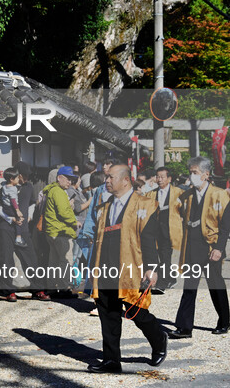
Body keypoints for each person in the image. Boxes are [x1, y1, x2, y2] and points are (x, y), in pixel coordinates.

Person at [87, 164, 167, 373]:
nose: (107, 181)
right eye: (106, 178)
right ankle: (111, 360)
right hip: (105, 268)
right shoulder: (104, 206)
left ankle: (159, 338)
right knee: (108, 314)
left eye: (111, 177)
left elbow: (149, 239)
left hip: (131, 267)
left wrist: (151, 268)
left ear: (125, 180)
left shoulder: (145, 205)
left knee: (137, 312)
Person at [168, 157, 230, 339]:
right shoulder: (187, 195)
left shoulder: (220, 195)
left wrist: (219, 248)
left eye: (195, 173)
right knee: (189, 287)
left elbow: (225, 226)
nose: (191, 176)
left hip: (211, 246)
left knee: (215, 285)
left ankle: (225, 320)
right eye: (190, 172)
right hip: (192, 246)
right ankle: (184, 327)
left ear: (206, 174)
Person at [0, 162, 48, 302]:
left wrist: (30, 214)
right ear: (15, 175)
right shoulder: (4, 187)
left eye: (27, 175)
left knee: (30, 258)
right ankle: (7, 290)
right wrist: (10, 218)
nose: (25, 178)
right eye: (23, 175)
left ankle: (38, 289)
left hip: (23, 228)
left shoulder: (29, 186)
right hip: (6, 227)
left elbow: (32, 202)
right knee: (6, 259)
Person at [42, 166, 79, 298]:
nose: (70, 182)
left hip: (52, 231)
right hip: (60, 231)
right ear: (59, 178)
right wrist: (75, 222)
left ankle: (51, 288)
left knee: (54, 261)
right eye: (68, 179)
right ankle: (64, 288)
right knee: (65, 260)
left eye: (72, 180)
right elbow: (64, 212)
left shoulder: (53, 190)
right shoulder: (58, 191)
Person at [145, 167, 184, 293]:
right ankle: (170, 278)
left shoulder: (178, 192)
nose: (159, 179)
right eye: (157, 177)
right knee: (159, 254)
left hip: (169, 228)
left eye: (162, 177)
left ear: (169, 178)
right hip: (155, 228)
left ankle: (163, 281)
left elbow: (185, 209)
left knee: (166, 255)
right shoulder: (151, 193)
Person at [0, 167, 26, 248]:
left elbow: (4, 183)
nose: (18, 179)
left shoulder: (4, 185)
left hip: (5, 207)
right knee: (19, 221)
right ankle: (18, 238)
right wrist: (17, 210)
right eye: (17, 178)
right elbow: (13, 200)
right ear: (11, 179)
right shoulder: (12, 189)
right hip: (11, 208)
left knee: (1, 216)